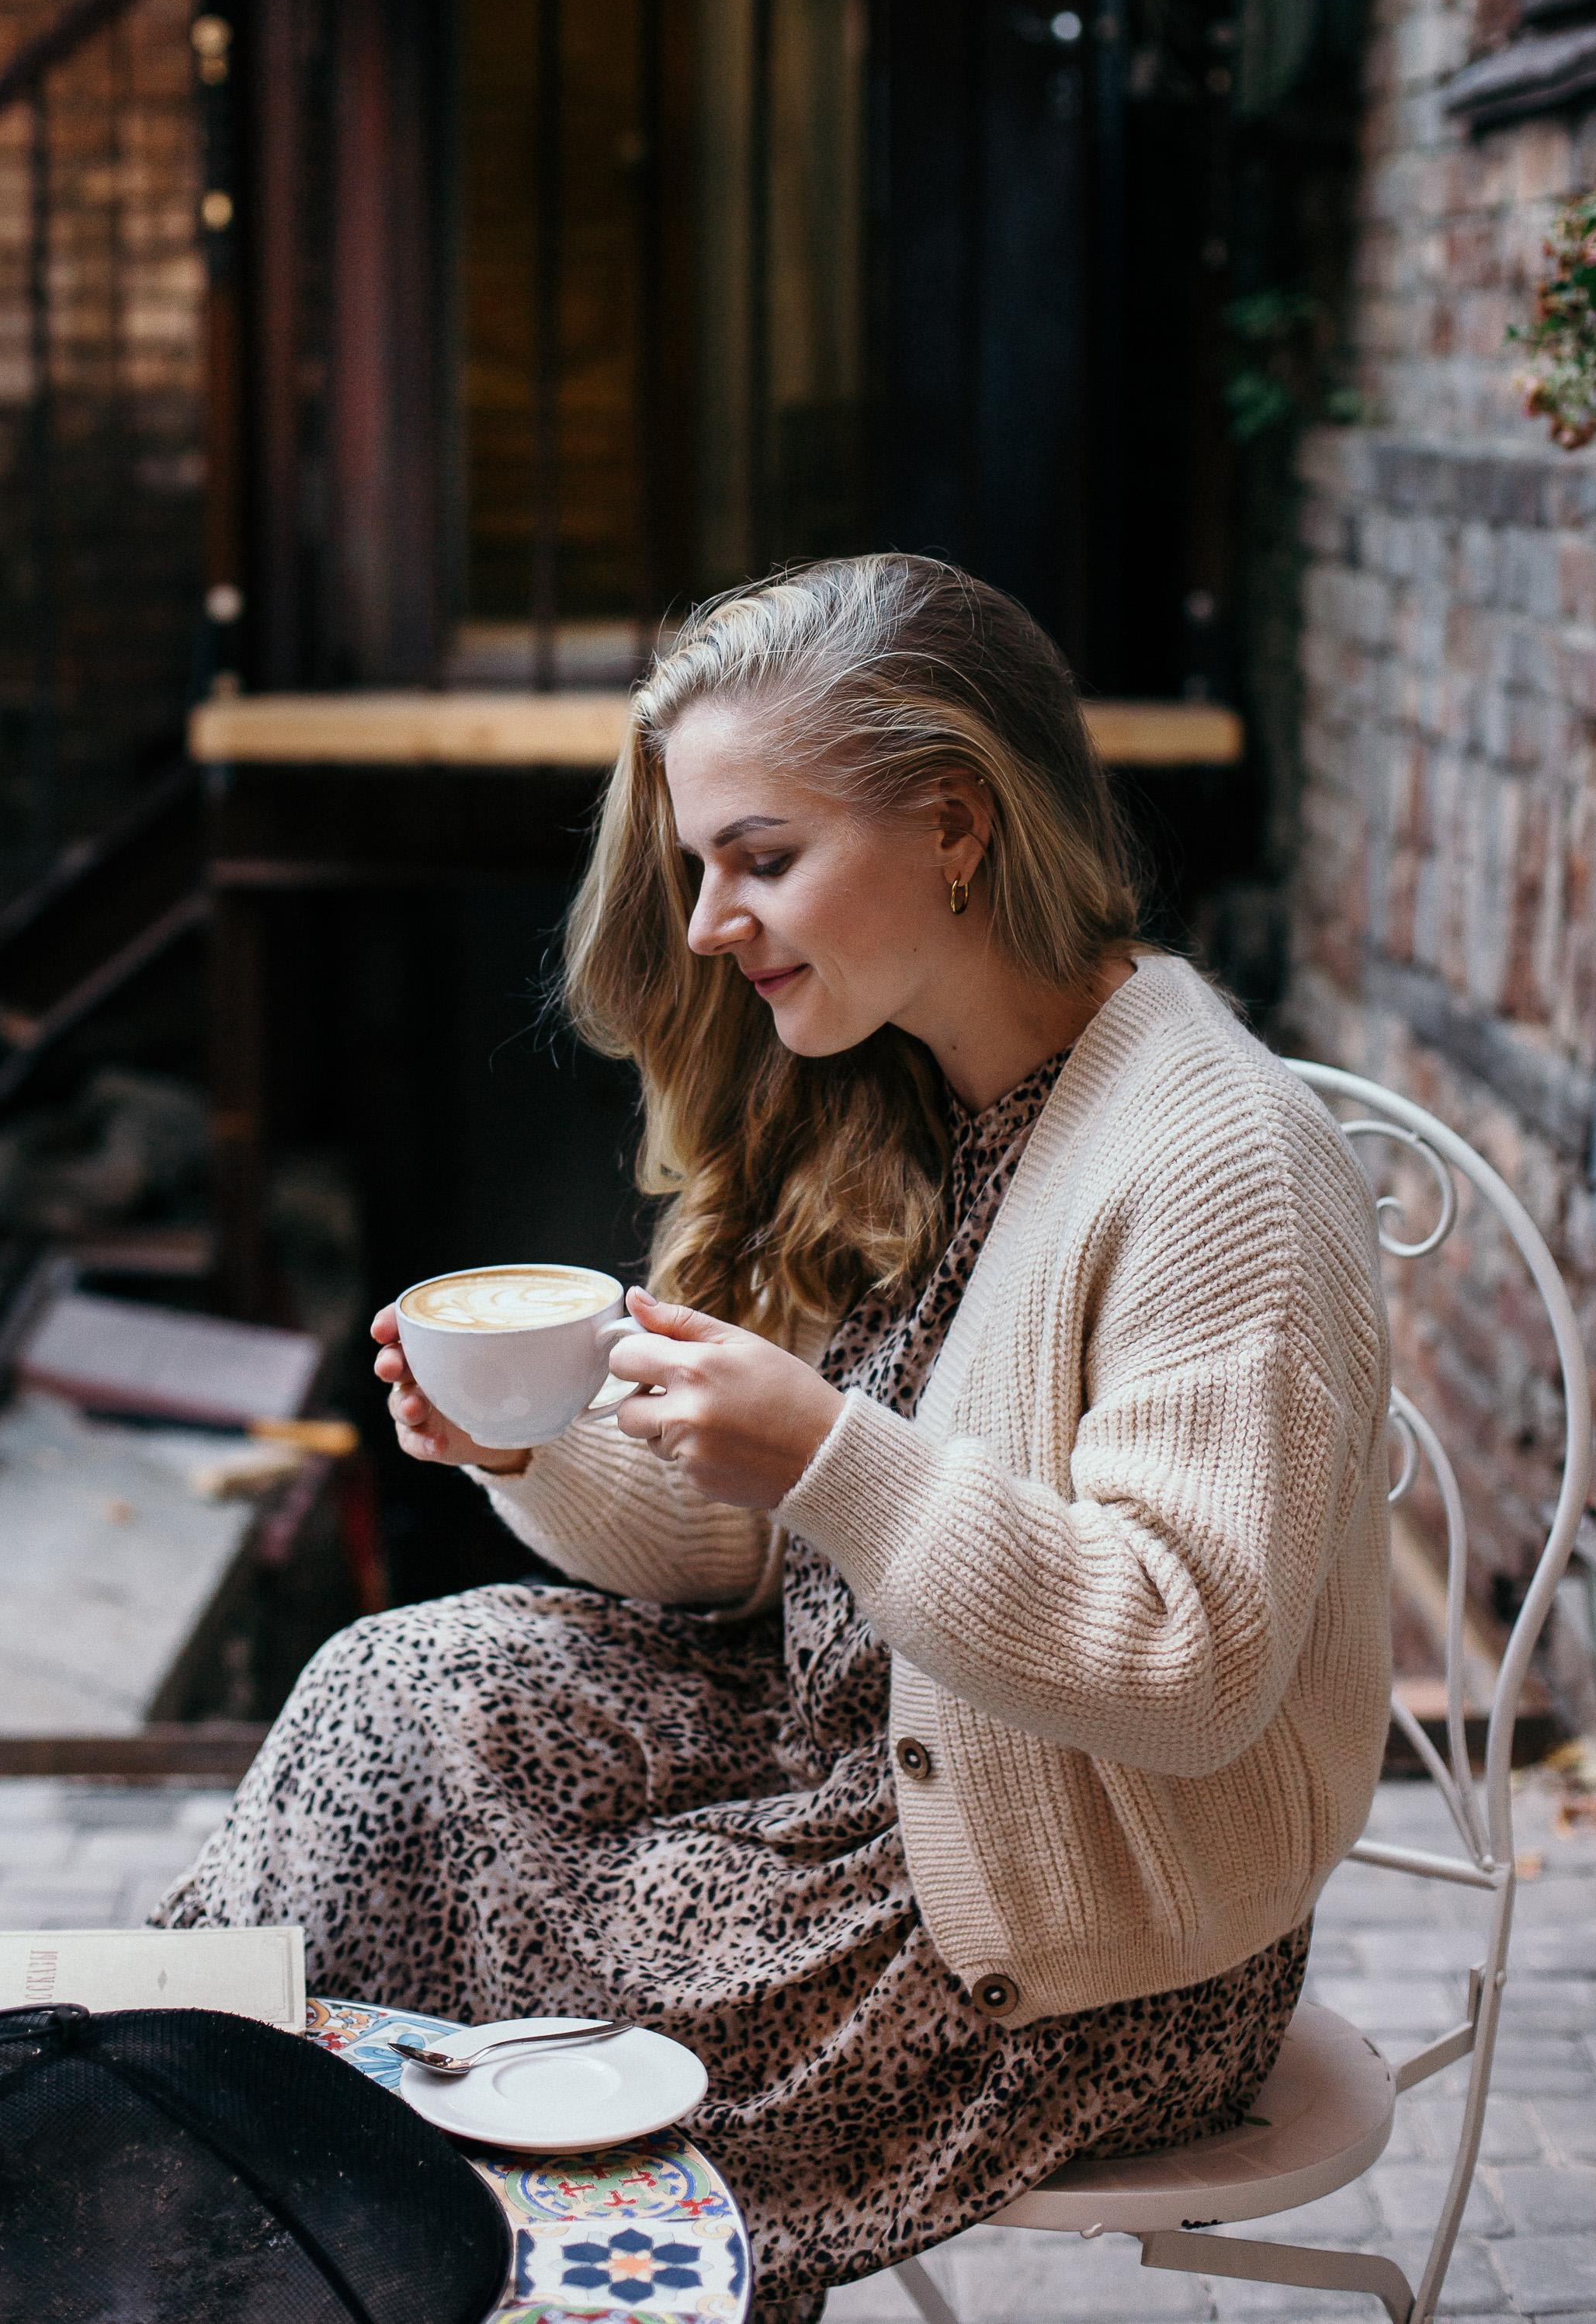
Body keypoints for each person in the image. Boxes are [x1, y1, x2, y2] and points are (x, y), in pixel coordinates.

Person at [154, 555, 1393, 2324]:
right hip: (858, 1762)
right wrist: (534, 1445)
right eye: (698, 866)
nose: (715, 921)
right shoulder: (908, 1095)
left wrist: (827, 1450)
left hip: (1075, 1931)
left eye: (761, 856)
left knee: (521, 2018)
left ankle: (231, 2203)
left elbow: (1188, 1661)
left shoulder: (1217, 1161)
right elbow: (744, 1554)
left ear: (956, 824)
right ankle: (157, 2121)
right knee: (395, 1695)